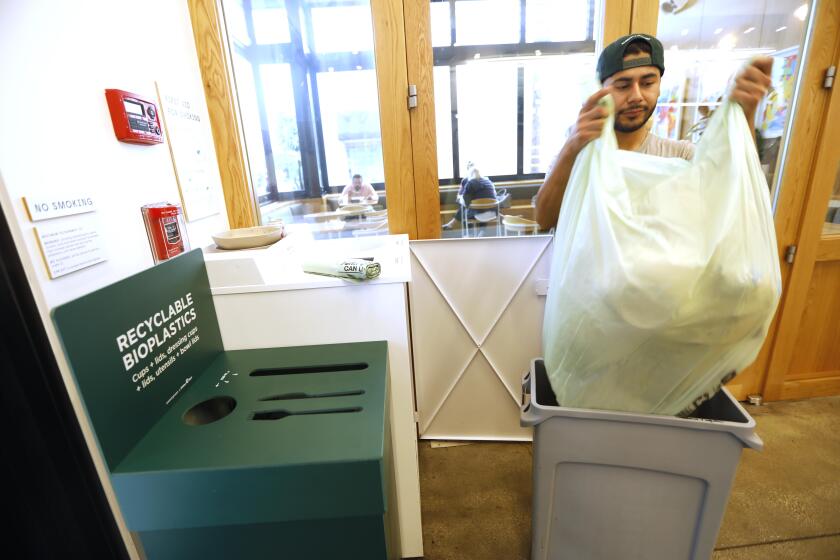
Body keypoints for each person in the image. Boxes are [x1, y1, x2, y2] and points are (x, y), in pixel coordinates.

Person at [535, 33, 772, 230]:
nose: (637, 96)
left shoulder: (681, 157)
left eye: (648, 83)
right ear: (601, 92)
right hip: (585, 286)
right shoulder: (578, 157)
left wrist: (744, 114)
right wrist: (572, 147)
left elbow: (740, 195)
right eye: (623, 85)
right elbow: (545, 219)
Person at [442, 162, 498, 230]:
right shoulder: (488, 181)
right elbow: (495, 195)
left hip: (478, 215)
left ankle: (466, 232)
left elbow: (465, 202)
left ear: (469, 174)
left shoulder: (469, 183)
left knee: (464, 208)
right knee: (475, 205)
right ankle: (481, 233)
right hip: (493, 213)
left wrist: (460, 199)